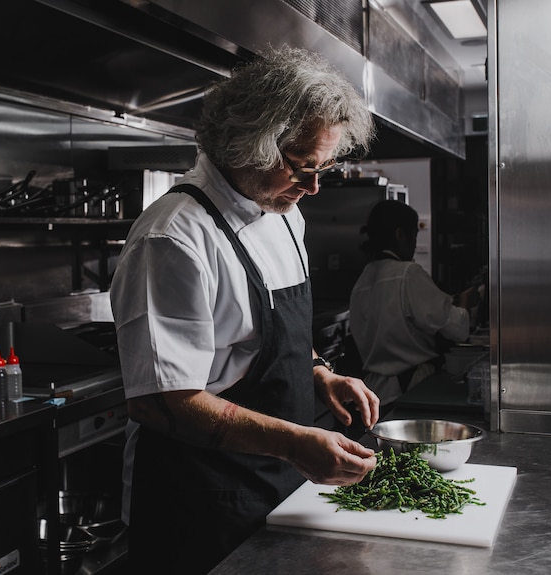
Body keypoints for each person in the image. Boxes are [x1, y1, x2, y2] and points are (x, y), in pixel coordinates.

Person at [109, 45, 381, 575]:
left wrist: (319, 372)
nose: (313, 187)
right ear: (247, 146)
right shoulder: (174, 238)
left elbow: (263, 338)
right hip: (198, 500)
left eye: (323, 167)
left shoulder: (282, 214)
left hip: (276, 480)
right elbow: (162, 403)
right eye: (303, 168)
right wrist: (296, 442)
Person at [348, 199, 474, 409]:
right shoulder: (407, 274)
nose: (415, 244)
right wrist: (466, 302)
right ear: (400, 235)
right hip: (411, 389)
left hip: (374, 392)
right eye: (414, 235)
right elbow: (457, 328)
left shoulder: (363, 279)